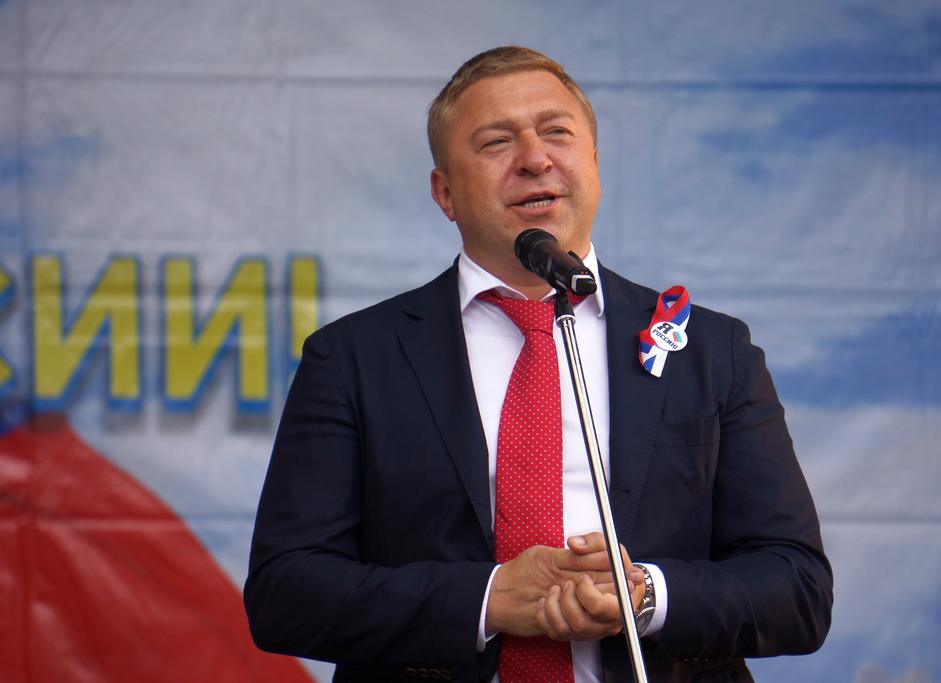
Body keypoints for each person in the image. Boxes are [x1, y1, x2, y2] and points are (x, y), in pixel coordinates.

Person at [244, 46, 833, 683]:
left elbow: (797, 589)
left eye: (556, 132)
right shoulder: (354, 357)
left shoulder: (712, 351)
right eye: (497, 142)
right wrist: (489, 600)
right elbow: (285, 592)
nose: (534, 159)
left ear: (594, 164)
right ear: (445, 192)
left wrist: (645, 596)